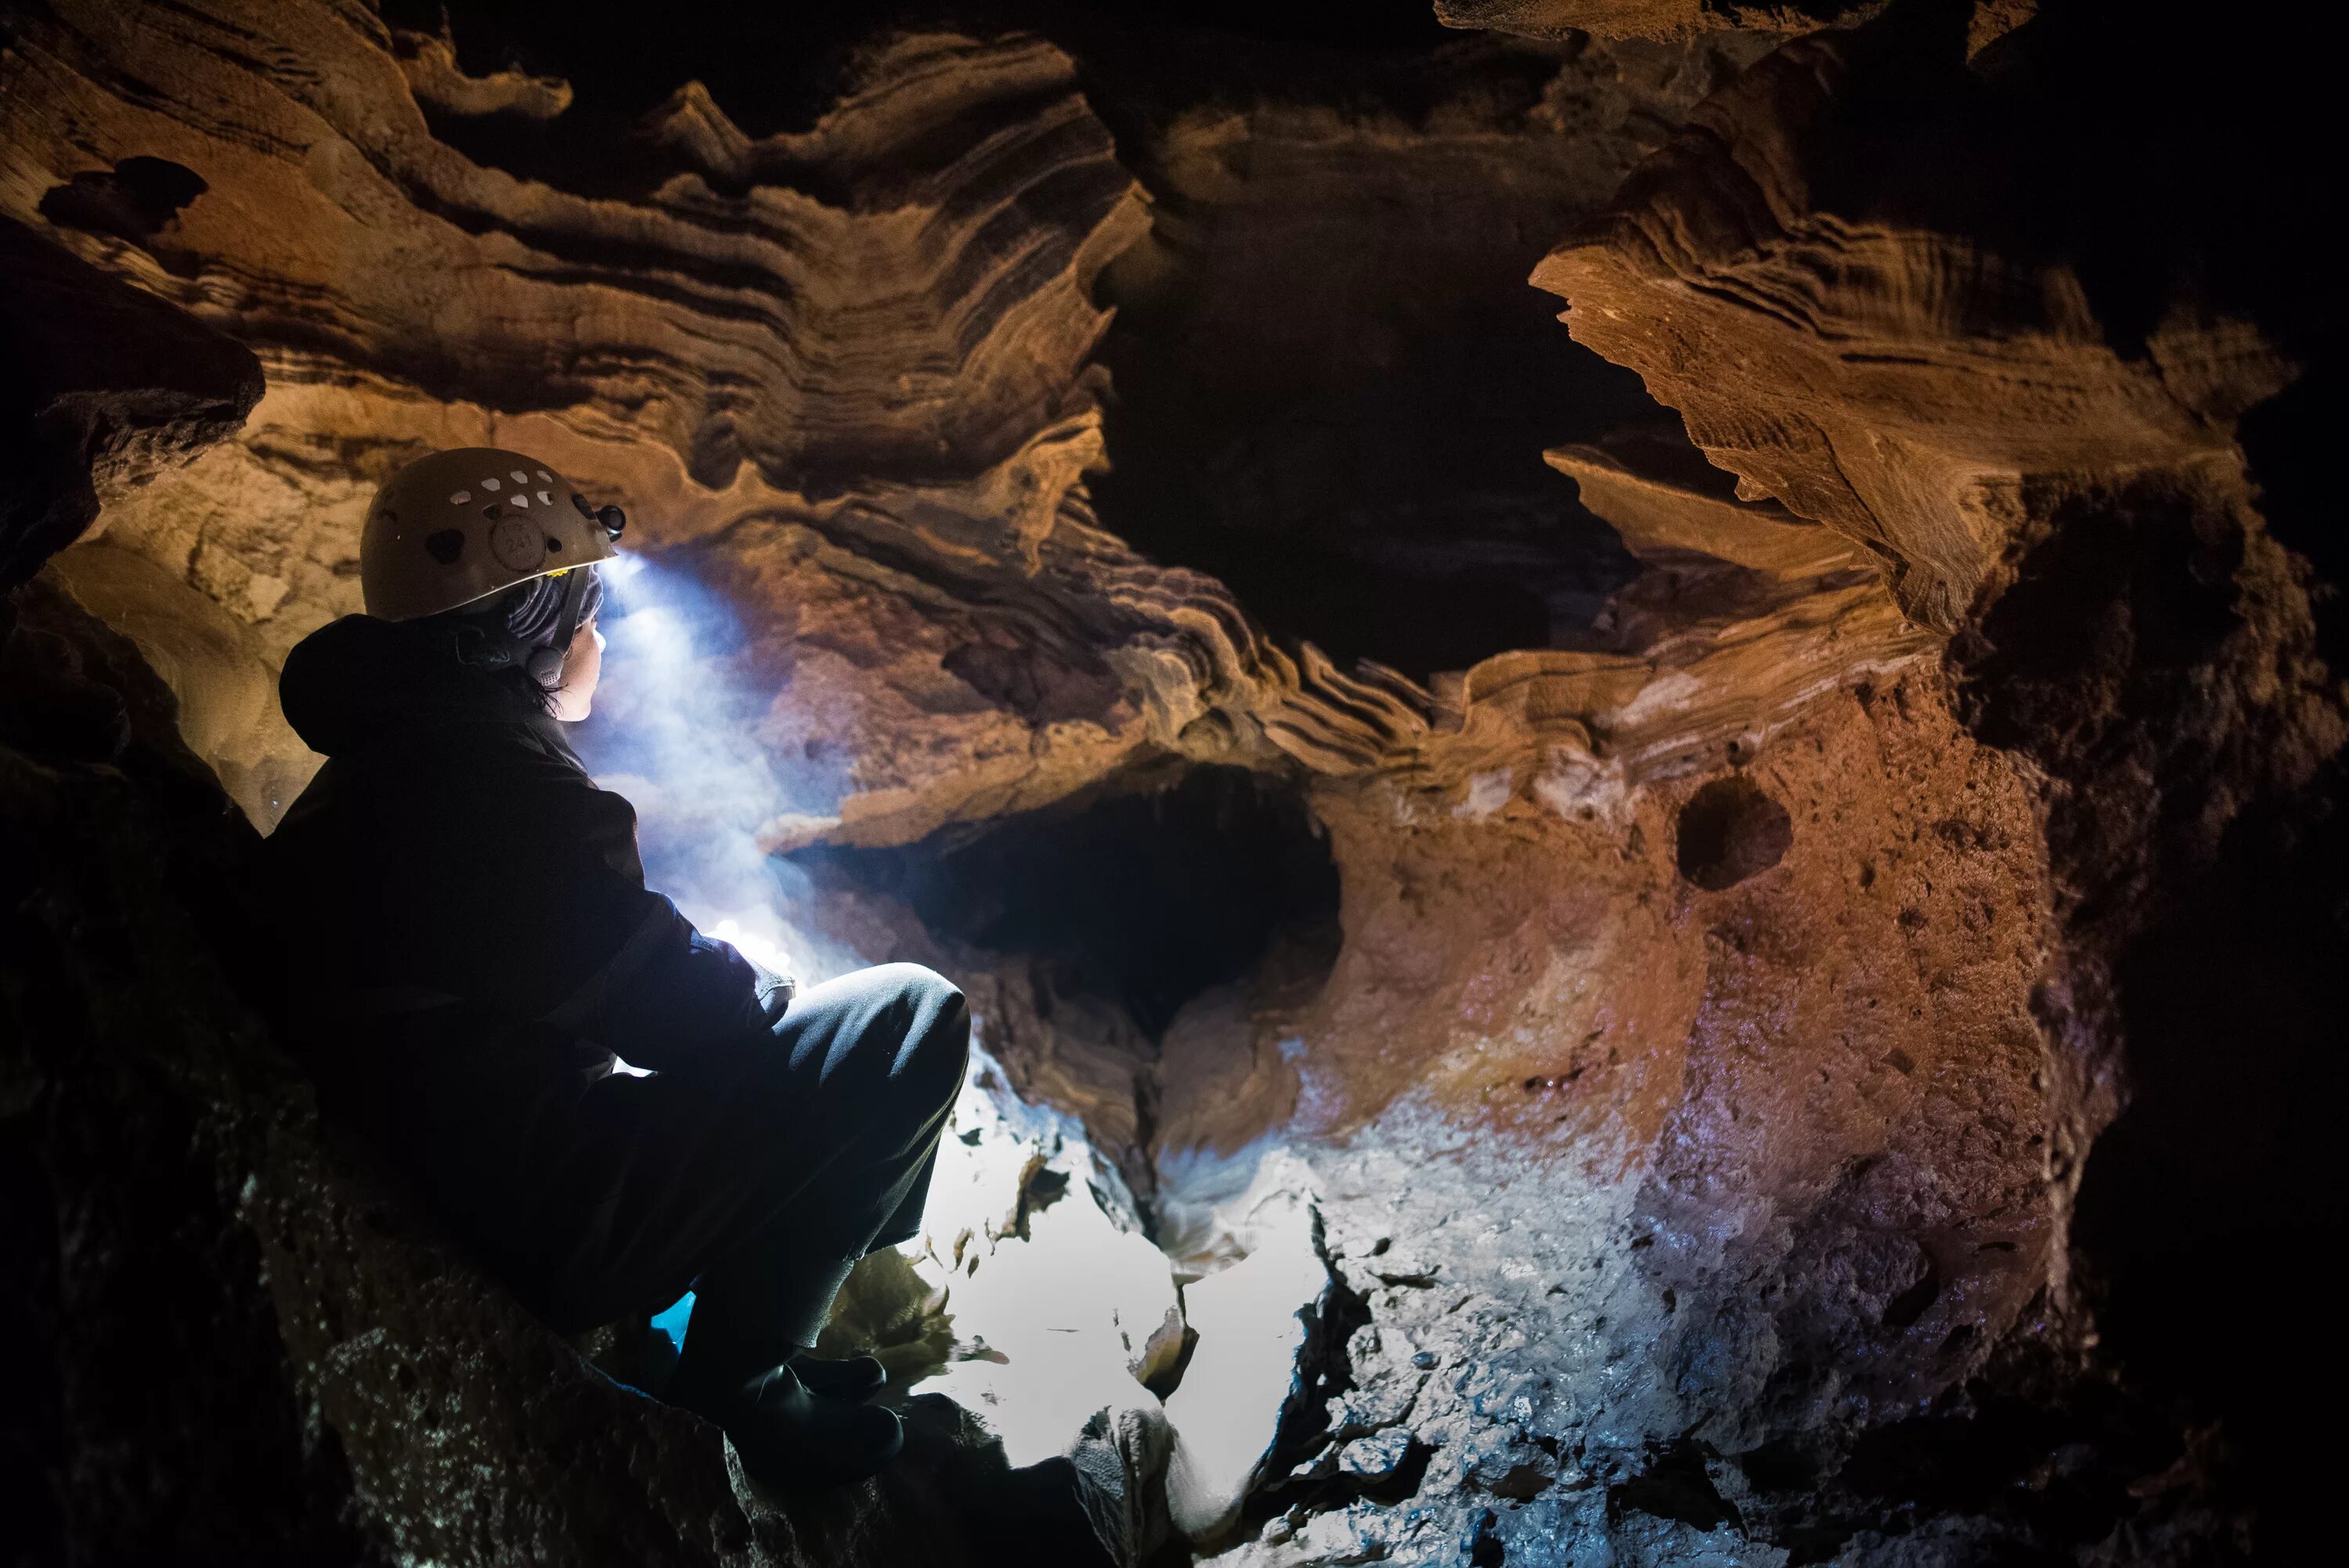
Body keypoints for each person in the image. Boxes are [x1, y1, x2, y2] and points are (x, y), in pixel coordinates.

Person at [265, 447, 968, 1486]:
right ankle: (742, 1386)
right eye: (584, 609)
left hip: (451, 1159)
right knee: (909, 1020)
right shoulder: (489, 788)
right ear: (536, 621)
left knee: (771, 1059)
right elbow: (692, 1013)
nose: (598, 636)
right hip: (529, 1215)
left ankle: (753, 1344)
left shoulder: (397, 763)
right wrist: (769, 996)